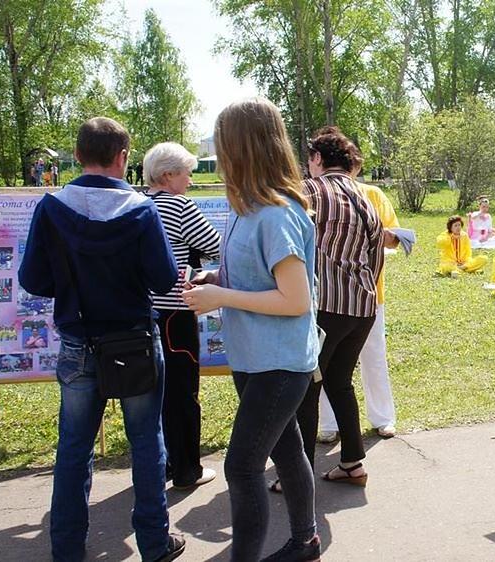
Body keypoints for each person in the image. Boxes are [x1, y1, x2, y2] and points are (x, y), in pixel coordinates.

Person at [18, 117, 184, 561]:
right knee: (147, 443)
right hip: (133, 341)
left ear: (77, 155)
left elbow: (33, 278)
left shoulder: (52, 207)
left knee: (73, 449)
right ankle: (153, 543)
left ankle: (67, 549)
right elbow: (165, 277)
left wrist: (73, 283)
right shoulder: (143, 210)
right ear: (123, 158)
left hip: (78, 343)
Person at [181, 98, 321, 561]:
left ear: (243, 149)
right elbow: (260, 279)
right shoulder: (248, 209)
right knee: (287, 451)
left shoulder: (276, 215)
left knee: (241, 468)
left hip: (278, 365)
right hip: (256, 359)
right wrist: (216, 280)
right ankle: (306, 541)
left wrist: (222, 297)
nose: (219, 158)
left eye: (223, 146)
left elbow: (296, 301)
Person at [297, 125, 387, 488]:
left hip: (323, 305)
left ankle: (296, 473)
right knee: (340, 381)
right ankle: (352, 462)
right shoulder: (366, 197)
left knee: (305, 386)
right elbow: (376, 256)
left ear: (317, 158)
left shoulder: (308, 192)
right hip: (362, 306)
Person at [143, 142, 221, 491]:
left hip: (144, 311)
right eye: (187, 172)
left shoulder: (139, 205)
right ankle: (187, 469)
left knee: (154, 394)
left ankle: (162, 463)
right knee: (183, 391)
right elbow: (217, 246)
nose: (190, 179)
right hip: (175, 311)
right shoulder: (179, 206)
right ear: (168, 174)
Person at [317, 143, 401, 446]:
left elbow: (394, 237)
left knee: (373, 356)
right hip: (327, 296)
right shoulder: (316, 193)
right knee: (323, 366)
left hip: (369, 293)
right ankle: (327, 424)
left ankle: (383, 418)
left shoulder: (374, 195)